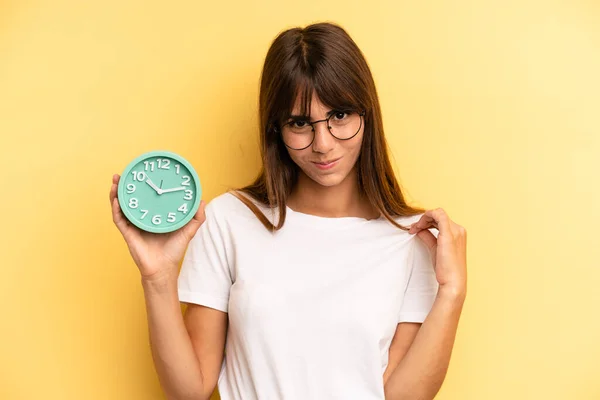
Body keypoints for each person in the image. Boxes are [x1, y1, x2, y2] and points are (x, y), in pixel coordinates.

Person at [109, 22, 467, 400]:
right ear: (276, 130)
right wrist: (158, 278)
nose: (324, 144)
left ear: (367, 114)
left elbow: (402, 397)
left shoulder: (411, 238)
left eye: (340, 116)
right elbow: (189, 391)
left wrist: (453, 291)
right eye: (300, 123)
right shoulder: (230, 219)